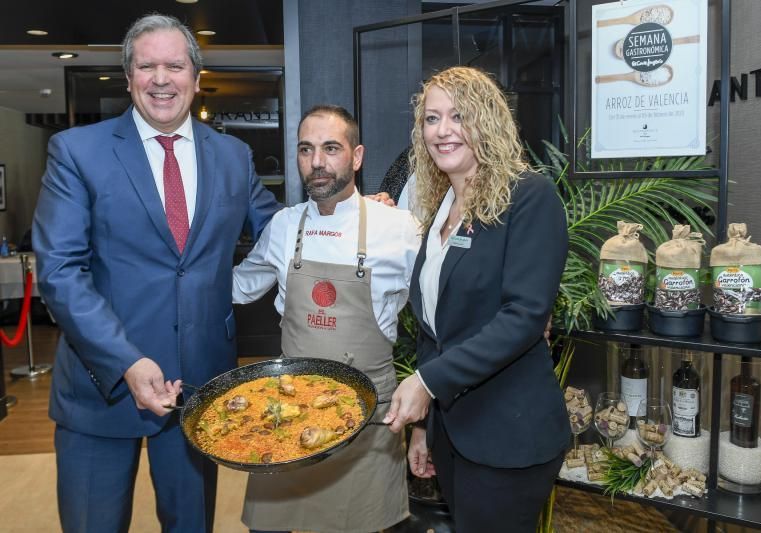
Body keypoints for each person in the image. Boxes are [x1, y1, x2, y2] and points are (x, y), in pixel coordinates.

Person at [32, 14, 280, 533]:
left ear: (195, 75)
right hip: (102, 389)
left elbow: (278, 229)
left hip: (198, 389)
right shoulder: (78, 151)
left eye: (174, 65)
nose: (161, 78)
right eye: (147, 66)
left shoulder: (233, 156)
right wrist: (125, 359)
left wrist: (349, 213)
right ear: (128, 78)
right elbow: (59, 270)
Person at [382, 66, 570, 533]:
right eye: (431, 118)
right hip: (454, 432)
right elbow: (433, 327)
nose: (442, 130)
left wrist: (426, 384)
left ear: (488, 120)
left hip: (509, 436)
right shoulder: (442, 207)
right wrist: (425, 427)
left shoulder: (531, 197)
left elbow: (523, 318)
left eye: (458, 116)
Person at [232, 104, 418, 533]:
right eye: (306, 149)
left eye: (331, 148)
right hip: (286, 414)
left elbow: (437, 306)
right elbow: (237, 287)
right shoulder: (283, 225)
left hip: (369, 419)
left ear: (356, 157)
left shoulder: (399, 227)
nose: (317, 162)